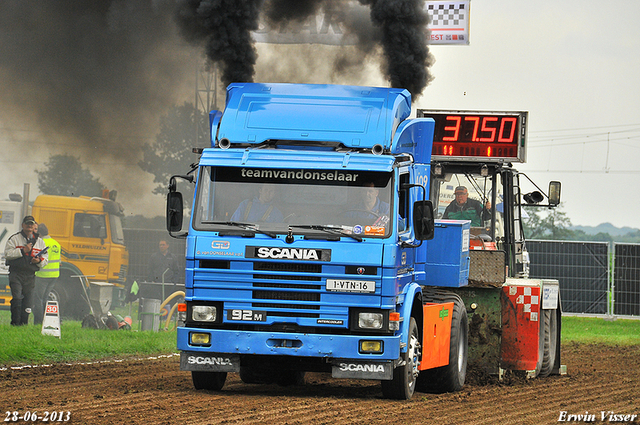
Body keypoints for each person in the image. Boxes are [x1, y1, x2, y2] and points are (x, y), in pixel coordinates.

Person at [4, 215, 48, 326]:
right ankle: (15, 324)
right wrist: (23, 251)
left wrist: (38, 261)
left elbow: (45, 259)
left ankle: (24, 324)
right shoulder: (14, 239)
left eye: (31, 224)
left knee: (28, 302)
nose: (29, 226)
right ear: (23, 225)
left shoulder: (40, 242)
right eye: (27, 223)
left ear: (34, 226)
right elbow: (8, 254)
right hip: (16, 274)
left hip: (30, 275)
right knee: (17, 299)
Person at [33, 223, 61, 326]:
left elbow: (36, 259)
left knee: (38, 299)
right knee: (45, 299)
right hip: (54, 276)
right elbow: (59, 261)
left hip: (42, 275)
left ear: (39, 233)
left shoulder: (41, 243)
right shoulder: (56, 243)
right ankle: (46, 321)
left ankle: (38, 322)